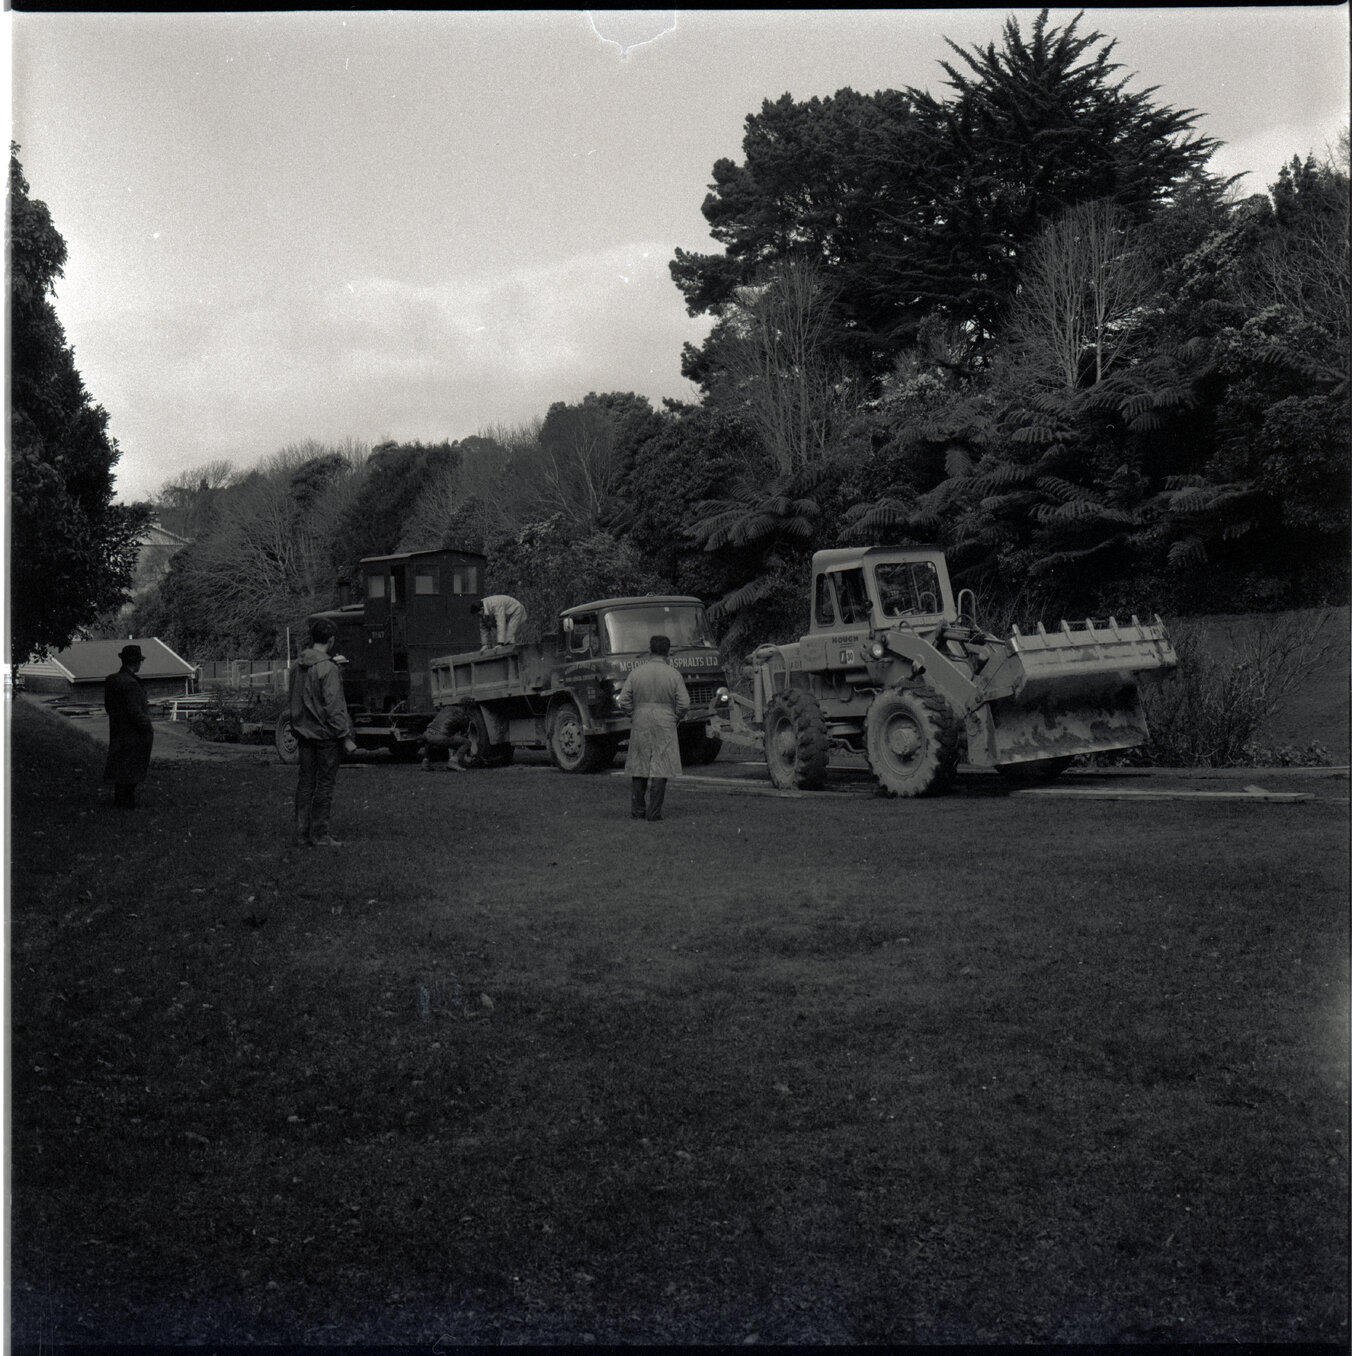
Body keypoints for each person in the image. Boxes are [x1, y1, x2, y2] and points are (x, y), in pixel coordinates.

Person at [289, 616, 358, 847]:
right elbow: (334, 706)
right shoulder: (328, 668)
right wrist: (345, 736)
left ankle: (301, 833)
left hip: (303, 732)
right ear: (331, 640)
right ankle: (320, 834)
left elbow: (294, 700)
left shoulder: (296, 667)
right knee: (325, 784)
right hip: (326, 735)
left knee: (306, 782)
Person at [617, 633, 690, 823]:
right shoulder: (673, 674)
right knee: (661, 765)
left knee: (640, 765)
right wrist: (676, 717)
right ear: (668, 652)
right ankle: (654, 812)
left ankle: (638, 810)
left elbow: (623, 700)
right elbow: (684, 704)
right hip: (665, 718)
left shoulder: (637, 673)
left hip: (641, 716)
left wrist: (633, 714)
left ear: (650, 650)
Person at [103, 643, 155, 809]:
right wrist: (147, 726)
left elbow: (109, 707)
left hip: (118, 729)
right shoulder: (131, 684)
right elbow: (135, 712)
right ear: (136, 662)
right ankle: (127, 802)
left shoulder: (112, 680)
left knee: (120, 765)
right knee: (132, 766)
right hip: (133, 732)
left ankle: (120, 800)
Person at [418, 705, 471, 771]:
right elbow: (463, 733)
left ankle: (425, 762)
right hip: (439, 738)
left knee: (429, 741)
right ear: (467, 708)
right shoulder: (462, 715)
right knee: (467, 742)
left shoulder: (447, 708)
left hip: (427, 733)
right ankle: (453, 762)